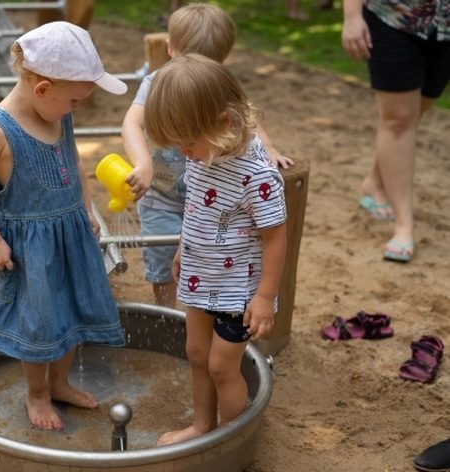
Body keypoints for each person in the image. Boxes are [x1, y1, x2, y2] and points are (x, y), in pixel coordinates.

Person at [0, 21, 127, 431]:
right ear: (42, 88)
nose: (76, 108)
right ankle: (37, 393)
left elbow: (75, 161)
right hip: (27, 249)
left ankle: (60, 382)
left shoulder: (57, 112)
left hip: (69, 235)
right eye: (74, 100)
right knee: (38, 323)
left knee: (69, 311)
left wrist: (86, 209)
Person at [143, 53, 287, 446]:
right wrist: (181, 249)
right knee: (195, 353)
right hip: (198, 273)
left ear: (223, 122)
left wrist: (264, 297)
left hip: (239, 292)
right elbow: (197, 211)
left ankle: (231, 437)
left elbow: (276, 237)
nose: (183, 153)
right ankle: (202, 426)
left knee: (223, 367)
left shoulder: (257, 175)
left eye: (187, 144)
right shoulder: (204, 154)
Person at [121, 3, 293, 308]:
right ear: (171, 49)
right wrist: (143, 163)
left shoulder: (217, 86)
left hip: (212, 197)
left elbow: (246, 119)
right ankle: (166, 316)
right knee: (163, 262)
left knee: (207, 257)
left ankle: (200, 315)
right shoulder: (157, 83)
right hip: (161, 193)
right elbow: (132, 122)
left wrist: (270, 148)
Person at [341, 0, 450, 262]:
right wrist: (352, 16)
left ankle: (374, 182)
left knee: (419, 107)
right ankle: (404, 226)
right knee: (399, 119)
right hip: (392, 16)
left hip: (445, 26)